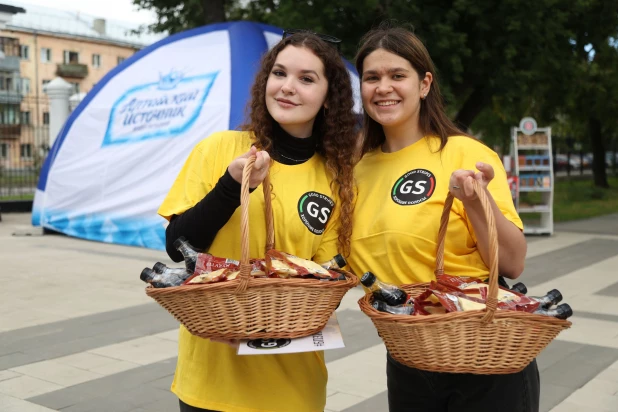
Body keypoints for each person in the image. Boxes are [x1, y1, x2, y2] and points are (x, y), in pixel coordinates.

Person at [157, 30, 358, 412]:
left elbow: (324, 285)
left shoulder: (337, 179)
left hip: (292, 387)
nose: (287, 87)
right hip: (211, 380)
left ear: (330, 98)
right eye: (279, 73)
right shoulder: (220, 148)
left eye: (306, 79)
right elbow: (177, 245)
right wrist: (232, 185)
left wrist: (263, 327)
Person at [348, 23, 538, 411]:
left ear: (424, 84)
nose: (383, 87)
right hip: (409, 358)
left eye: (397, 75)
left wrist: (475, 200)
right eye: (372, 77)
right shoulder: (354, 170)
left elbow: (513, 263)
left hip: (485, 353)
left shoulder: (466, 153)